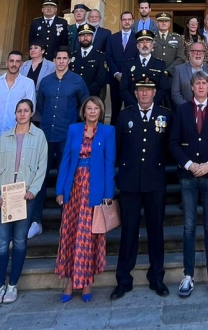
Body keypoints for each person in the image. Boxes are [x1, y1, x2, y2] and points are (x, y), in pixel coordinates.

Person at [169, 71, 208, 298]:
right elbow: (173, 143)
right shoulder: (182, 110)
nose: (201, 86)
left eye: (205, 83)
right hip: (188, 175)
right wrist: (188, 164)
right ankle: (188, 275)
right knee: (188, 226)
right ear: (192, 87)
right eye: (198, 83)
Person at [111, 76, 173, 300]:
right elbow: (116, 150)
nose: (145, 93)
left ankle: (156, 277)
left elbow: (170, 147)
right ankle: (123, 279)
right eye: (141, 90)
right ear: (135, 93)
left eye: (149, 90)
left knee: (156, 231)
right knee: (128, 232)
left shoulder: (165, 116)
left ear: (155, 92)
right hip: (129, 182)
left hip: (155, 181)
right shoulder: (124, 116)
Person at [0, 99, 48, 306]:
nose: (22, 114)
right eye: (19, 111)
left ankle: (13, 284)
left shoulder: (39, 137)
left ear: (31, 113)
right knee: (2, 243)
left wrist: (33, 190)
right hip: (3, 196)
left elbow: (42, 166)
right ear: (15, 114)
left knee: (20, 240)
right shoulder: (4, 138)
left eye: (26, 111)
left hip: (24, 196)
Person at [55, 96, 116, 302]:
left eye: (95, 108)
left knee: (88, 235)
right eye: (89, 108)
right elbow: (65, 161)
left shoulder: (108, 132)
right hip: (74, 188)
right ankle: (70, 282)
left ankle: (87, 281)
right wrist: (60, 189)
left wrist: (108, 194)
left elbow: (109, 163)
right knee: (71, 233)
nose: (92, 111)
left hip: (95, 189)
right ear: (84, 111)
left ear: (100, 111)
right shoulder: (74, 129)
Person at [29, 49, 89, 239]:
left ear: (69, 60)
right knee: (40, 179)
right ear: (53, 60)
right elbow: (40, 105)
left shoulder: (77, 81)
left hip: (67, 136)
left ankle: (68, 220)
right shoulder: (45, 81)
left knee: (69, 179)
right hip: (46, 135)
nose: (61, 61)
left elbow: (85, 106)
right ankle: (35, 221)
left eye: (65, 58)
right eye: (58, 58)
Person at [0, 51, 36, 135]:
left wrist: (21, 128)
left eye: (17, 61)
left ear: (21, 64)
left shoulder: (28, 84)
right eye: (11, 61)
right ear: (6, 63)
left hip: (16, 133)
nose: (14, 64)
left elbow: (31, 109)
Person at [120, 29, 169, 107]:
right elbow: (123, 89)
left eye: (148, 42)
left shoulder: (160, 64)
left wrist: (151, 104)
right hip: (133, 107)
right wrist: (136, 105)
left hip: (154, 107)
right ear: (137, 46)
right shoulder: (128, 64)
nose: (145, 44)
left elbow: (163, 88)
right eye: (142, 42)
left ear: (152, 45)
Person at [108, 11, 138, 126]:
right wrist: (116, 73)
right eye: (124, 19)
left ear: (132, 21)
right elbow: (108, 57)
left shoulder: (138, 38)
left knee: (130, 109)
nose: (126, 22)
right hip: (115, 80)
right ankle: (113, 136)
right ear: (121, 22)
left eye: (129, 19)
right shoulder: (112, 38)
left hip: (131, 81)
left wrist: (128, 75)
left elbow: (138, 58)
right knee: (115, 110)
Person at [171, 41, 208, 106]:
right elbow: (175, 93)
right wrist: (187, 108)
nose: (198, 53)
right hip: (186, 111)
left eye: (201, 51)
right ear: (189, 53)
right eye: (195, 51)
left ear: (204, 54)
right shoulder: (179, 70)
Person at [69, 23, 107, 98]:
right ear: (79, 38)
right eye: (82, 35)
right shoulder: (72, 56)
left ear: (92, 38)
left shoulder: (100, 56)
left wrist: (85, 92)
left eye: (88, 35)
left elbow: (100, 80)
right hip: (73, 95)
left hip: (92, 96)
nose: (85, 38)